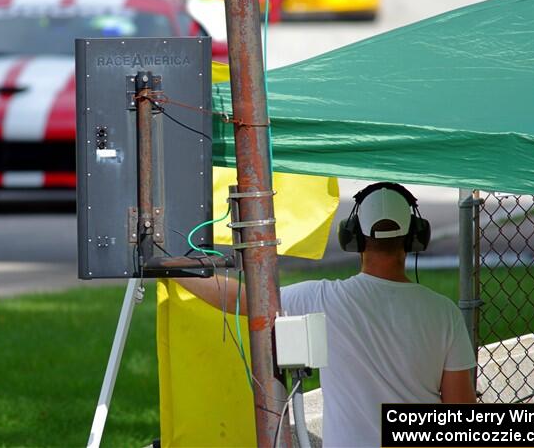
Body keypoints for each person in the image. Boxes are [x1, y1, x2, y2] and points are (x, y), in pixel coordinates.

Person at [180, 182, 476, 448]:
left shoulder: (322, 298)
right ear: (415, 236)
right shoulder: (444, 313)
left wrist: (170, 265)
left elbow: (244, 300)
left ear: (353, 238)